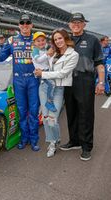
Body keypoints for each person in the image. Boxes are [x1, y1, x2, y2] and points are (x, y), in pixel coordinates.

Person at [60, 13, 105, 161]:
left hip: (85, 80)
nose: (76, 24)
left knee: (86, 114)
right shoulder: (66, 40)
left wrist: (101, 82)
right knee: (71, 112)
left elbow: (99, 63)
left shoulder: (92, 40)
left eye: (79, 22)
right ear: (69, 24)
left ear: (84, 24)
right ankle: (74, 141)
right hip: (68, 80)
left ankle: (86, 147)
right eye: (74, 22)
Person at [0, 14, 40, 151]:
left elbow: (49, 55)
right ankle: (24, 138)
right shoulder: (12, 40)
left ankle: (34, 139)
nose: (25, 25)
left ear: (31, 25)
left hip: (34, 79)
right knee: (22, 111)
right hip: (18, 80)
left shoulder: (37, 40)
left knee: (33, 111)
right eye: (22, 22)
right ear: (19, 25)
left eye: (28, 22)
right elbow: (0, 57)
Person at [34, 29, 79, 157]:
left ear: (65, 38)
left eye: (60, 38)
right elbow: (39, 61)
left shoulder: (73, 55)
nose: (58, 41)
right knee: (46, 118)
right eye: (55, 39)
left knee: (53, 119)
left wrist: (43, 73)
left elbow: (63, 73)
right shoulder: (52, 52)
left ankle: (55, 140)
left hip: (58, 89)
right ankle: (52, 143)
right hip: (44, 87)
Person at [32, 32, 57, 112]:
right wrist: (47, 54)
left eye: (43, 40)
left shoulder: (44, 50)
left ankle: (44, 106)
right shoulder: (35, 50)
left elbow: (48, 60)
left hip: (46, 72)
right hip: (41, 73)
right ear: (34, 43)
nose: (41, 42)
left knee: (50, 87)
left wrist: (50, 54)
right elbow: (38, 60)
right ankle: (48, 103)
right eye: (38, 41)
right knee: (51, 85)